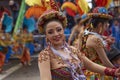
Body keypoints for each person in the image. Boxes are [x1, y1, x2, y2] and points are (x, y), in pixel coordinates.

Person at [38, 10, 120, 80]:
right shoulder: (45, 55)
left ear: (63, 30)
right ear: (46, 35)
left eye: (59, 30)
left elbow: (90, 65)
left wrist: (113, 72)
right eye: (50, 32)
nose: (56, 34)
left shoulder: (72, 50)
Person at [78, 7, 116, 80]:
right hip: (97, 74)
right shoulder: (96, 39)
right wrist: (115, 71)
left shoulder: (83, 34)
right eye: (105, 25)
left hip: (85, 74)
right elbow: (105, 62)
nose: (107, 27)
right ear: (100, 25)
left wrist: (106, 39)